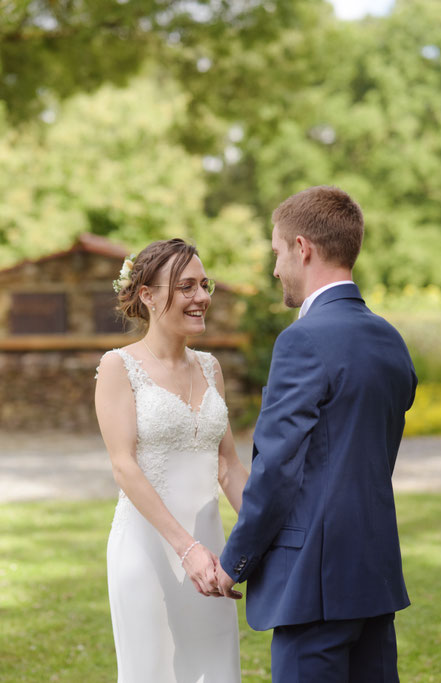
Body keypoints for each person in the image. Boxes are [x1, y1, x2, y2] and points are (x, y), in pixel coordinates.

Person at [215, 186, 417, 682]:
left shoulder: (302, 340)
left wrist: (234, 560)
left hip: (314, 585)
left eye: (277, 253)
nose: (275, 269)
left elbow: (278, 470)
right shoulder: (389, 339)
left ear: (302, 248)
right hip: (373, 576)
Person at [95, 238, 248, 683]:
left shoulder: (210, 367)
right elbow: (124, 466)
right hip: (148, 550)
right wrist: (187, 549)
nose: (202, 297)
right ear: (147, 295)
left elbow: (229, 466)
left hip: (211, 551)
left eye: (204, 284)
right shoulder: (118, 367)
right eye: (186, 287)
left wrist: (270, 533)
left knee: (216, 671)